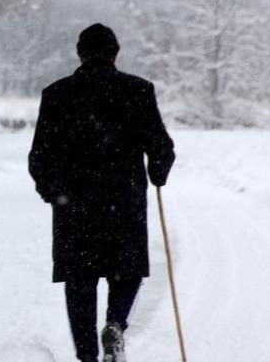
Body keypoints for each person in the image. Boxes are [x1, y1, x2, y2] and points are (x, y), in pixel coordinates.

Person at [28, 23, 175, 362]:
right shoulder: (138, 90)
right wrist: (158, 173)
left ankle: (87, 357)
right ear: (115, 54)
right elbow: (161, 147)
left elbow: (39, 158)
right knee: (127, 272)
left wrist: (53, 193)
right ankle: (115, 325)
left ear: (80, 54)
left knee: (80, 282)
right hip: (123, 203)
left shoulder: (56, 94)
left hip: (73, 206)